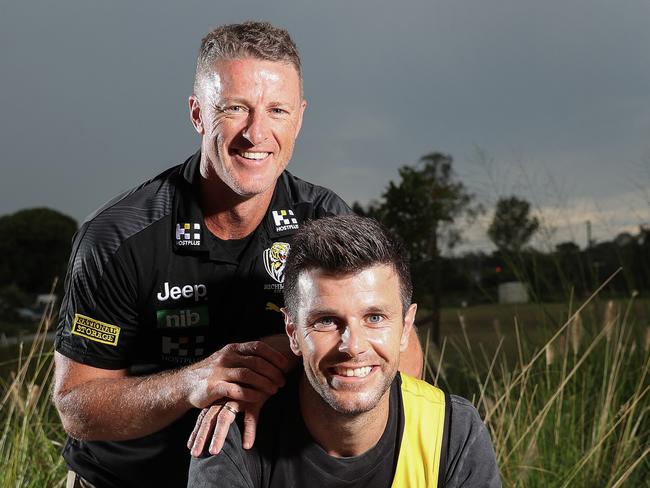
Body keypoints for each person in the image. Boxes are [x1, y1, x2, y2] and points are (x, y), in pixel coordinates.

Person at [53, 21, 423, 488]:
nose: (256, 132)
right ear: (197, 114)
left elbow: (402, 361)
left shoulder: (325, 217)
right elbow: (79, 409)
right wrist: (195, 383)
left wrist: (276, 355)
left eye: (277, 110)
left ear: (300, 118)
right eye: (234, 109)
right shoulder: (115, 238)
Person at [188, 215, 501, 488]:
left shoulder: (451, 429)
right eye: (326, 321)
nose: (352, 346)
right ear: (292, 332)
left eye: (374, 318)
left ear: (406, 328)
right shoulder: (231, 433)